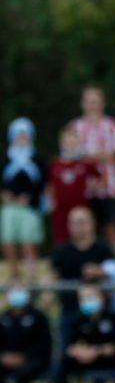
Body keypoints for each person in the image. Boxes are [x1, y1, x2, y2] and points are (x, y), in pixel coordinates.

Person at [49, 206, 115, 354]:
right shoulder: (61, 252)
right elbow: (51, 277)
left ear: (91, 224)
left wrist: (100, 271)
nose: (77, 227)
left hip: (100, 313)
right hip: (70, 311)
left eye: (81, 222)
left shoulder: (103, 248)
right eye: (74, 223)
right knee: (64, 353)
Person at [52, 279, 115, 383]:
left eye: (91, 296)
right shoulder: (77, 319)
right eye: (84, 298)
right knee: (64, 361)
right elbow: (68, 345)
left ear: (101, 298)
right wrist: (81, 352)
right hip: (84, 359)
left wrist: (97, 351)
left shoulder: (113, 318)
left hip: (106, 359)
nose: (88, 300)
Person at [71, 85, 115, 255]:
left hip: (107, 187)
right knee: (82, 228)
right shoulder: (74, 127)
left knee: (110, 225)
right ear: (83, 103)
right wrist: (97, 155)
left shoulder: (113, 126)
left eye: (96, 101)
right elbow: (70, 155)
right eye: (89, 101)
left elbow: (112, 155)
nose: (92, 105)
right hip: (82, 187)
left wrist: (86, 155)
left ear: (102, 103)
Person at [2, 118, 46, 283]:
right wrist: (5, 195)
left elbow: (42, 183)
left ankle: (32, 280)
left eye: (25, 135)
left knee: (28, 243)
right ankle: (15, 278)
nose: (21, 138)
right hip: (10, 206)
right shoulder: (6, 157)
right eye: (18, 135)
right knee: (8, 241)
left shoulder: (37, 158)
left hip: (30, 207)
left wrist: (29, 197)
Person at [47, 124, 99, 247]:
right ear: (62, 144)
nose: (70, 144)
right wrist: (50, 201)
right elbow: (49, 184)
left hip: (80, 207)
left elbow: (100, 177)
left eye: (73, 141)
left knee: (83, 235)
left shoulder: (84, 163)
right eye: (67, 142)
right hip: (60, 208)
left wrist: (91, 188)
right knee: (61, 237)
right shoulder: (54, 163)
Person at [0, 283, 51, 383]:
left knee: (25, 371)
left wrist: (25, 357)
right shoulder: (4, 317)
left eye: (21, 291)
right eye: (14, 292)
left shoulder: (38, 316)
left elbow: (43, 343)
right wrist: (3, 356)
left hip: (32, 359)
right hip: (7, 359)